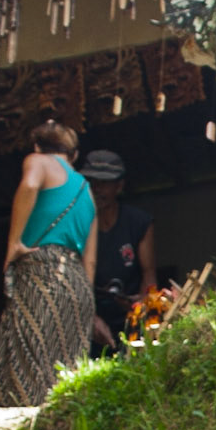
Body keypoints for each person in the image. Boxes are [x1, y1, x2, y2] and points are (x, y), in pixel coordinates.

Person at [0, 120, 97, 407]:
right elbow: (91, 260)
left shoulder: (37, 161)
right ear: (73, 154)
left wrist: (14, 242)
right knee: (67, 372)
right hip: (77, 284)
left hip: (41, 272)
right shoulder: (88, 191)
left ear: (38, 146)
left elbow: (30, 186)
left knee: (29, 357)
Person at [81, 149, 159, 353]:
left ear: (119, 186)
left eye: (104, 183)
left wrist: (142, 305)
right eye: (92, 182)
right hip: (88, 315)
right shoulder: (78, 224)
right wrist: (89, 317)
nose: (97, 189)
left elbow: (148, 274)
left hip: (129, 316)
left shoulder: (138, 222)